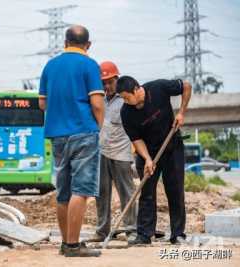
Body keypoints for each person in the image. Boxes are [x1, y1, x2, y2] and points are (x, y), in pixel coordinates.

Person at [38, 25, 105, 257]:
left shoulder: (50, 66)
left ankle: (66, 242)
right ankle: (74, 246)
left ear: (65, 42)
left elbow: (42, 104)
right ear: (88, 44)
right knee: (82, 190)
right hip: (83, 132)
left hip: (57, 135)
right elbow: (97, 103)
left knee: (63, 191)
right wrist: (99, 126)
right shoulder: (89, 64)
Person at [116, 76, 192, 245]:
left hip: (172, 147)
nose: (126, 102)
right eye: (123, 99)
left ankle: (178, 234)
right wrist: (148, 159)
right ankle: (144, 234)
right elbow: (136, 140)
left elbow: (186, 86)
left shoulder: (158, 88)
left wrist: (181, 112)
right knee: (147, 192)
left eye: (127, 97)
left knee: (175, 190)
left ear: (136, 89)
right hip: (147, 152)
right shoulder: (126, 112)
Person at [86, 61, 137, 242]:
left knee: (127, 192)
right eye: (104, 82)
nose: (107, 86)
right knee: (101, 193)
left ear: (117, 79)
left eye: (110, 81)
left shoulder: (126, 99)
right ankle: (102, 231)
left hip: (122, 154)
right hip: (101, 152)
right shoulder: (98, 100)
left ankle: (131, 229)